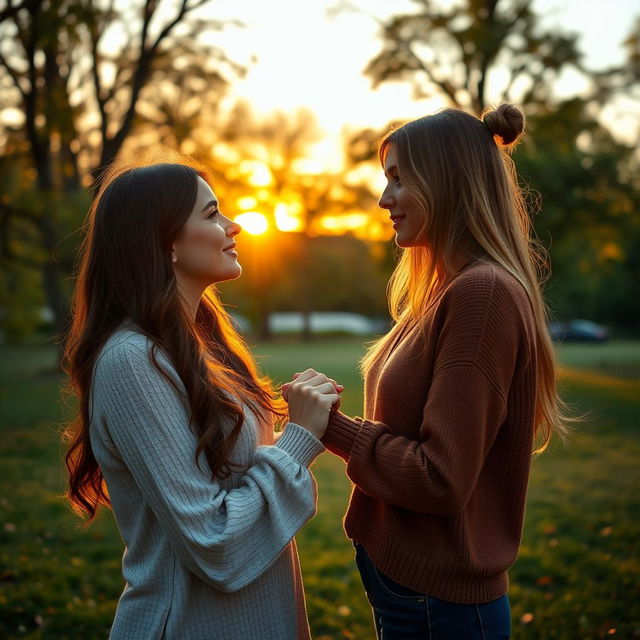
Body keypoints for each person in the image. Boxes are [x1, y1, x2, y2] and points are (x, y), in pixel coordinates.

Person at [284, 104, 572, 639]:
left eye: (397, 179)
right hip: (412, 591)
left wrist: (334, 428)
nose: (383, 199)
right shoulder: (441, 290)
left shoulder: (481, 295)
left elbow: (441, 478)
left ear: (445, 182)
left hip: (441, 606)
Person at [61, 159, 341, 640]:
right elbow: (216, 544)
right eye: (212, 214)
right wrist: (297, 442)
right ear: (166, 240)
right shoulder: (131, 361)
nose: (234, 226)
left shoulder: (200, 342)